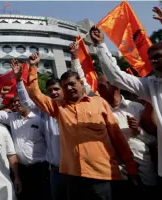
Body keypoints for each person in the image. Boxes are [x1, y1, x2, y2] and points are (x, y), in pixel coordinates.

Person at [91, 6, 162, 195]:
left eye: (159, 57)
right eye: (151, 60)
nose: (154, 63)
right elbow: (116, 76)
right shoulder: (153, 86)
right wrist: (101, 46)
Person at [25, 52, 138, 199]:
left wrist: (130, 166)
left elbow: (116, 136)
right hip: (73, 176)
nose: (70, 88)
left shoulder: (99, 103)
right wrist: (33, 66)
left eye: (72, 84)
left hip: (102, 174)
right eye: (65, 86)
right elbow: (34, 93)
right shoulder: (58, 108)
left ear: (81, 83)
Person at [70, 41, 158, 194]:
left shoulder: (136, 108)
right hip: (117, 173)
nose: (97, 90)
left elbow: (155, 141)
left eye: (101, 86)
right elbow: (82, 84)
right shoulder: (99, 107)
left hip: (145, 171)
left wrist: (139, 131)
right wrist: (74, 57)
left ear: (115, 86)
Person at [11, 59, 63, 200]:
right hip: (53, 169)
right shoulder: (45, 111)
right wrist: (19, 80)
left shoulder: (73, 108)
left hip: (74, 169)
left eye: (57, 89)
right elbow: (28, 100)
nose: (53, 93)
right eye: (50, 90)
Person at [0, 86, 50, 200]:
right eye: (14, 102)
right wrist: (1, 95)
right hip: (22, 170)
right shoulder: (12, 117)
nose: (16, 104)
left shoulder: (39, 118)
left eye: (19, 101)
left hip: (41, 169)